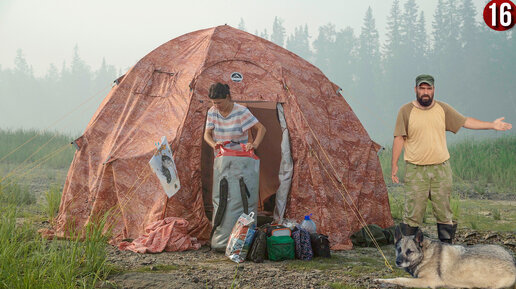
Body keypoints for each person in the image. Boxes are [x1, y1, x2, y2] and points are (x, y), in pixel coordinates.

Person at [391, 74, 512, 243]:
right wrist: (394, 164)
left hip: (441, 169)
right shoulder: (405, 111)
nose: (425, 92)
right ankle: (407, 252)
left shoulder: (443, 108)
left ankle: (446, 251)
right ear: (415, 90)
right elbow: (399, 138)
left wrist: (491, 125)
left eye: (429, 88)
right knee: (412, 213)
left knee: (444, 212)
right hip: (415, 170)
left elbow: (465, 121)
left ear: (434, 90)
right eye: (422, 88)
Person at [204, 82, 266, 152]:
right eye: (214, 103)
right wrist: (214, 144)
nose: (216, 106)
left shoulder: (241, 111)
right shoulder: (212, 112)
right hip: (221, 157)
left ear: (227, 97)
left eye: (219, 103)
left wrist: (254, 144)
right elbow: (207, 133)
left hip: (239, 156)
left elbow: (261, 128)